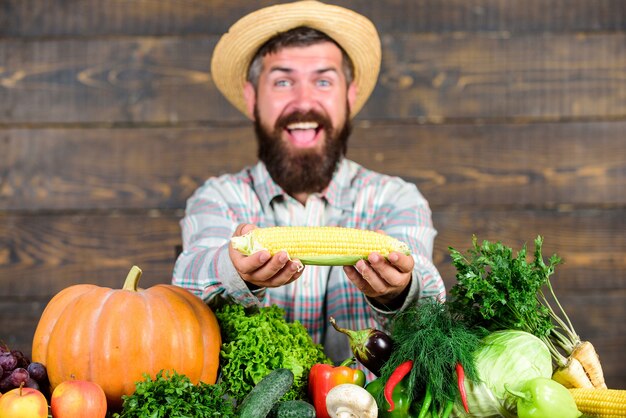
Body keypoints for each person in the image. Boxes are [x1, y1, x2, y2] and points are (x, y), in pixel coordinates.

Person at [172, 0, 445, 364]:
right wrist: (232, 270)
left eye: (323, 81)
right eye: (283, 81)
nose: (304, 101)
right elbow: (182, 294)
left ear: (349, 95)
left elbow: (430, 302)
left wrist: (399, 290)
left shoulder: (395, 199)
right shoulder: (219, 198)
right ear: (252, 97)